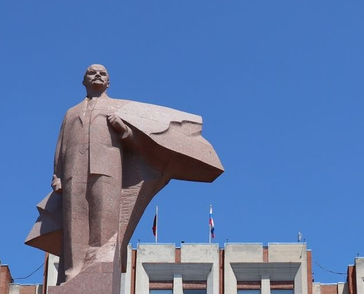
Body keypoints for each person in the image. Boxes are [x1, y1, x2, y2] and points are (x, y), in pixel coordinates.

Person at [26, 64, 224, 281]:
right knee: (75, 219)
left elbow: (138, 144)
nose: (98, 75)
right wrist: (57, 175)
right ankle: (73, 269)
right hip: (74, 169)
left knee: (105, 217)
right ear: (84, 81)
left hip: (107, 168)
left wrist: (124, 130)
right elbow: (61, 146)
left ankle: (100, 265)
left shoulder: (119, 109)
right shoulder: (71, 113)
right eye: (92, 72)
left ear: (108, 82)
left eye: (102, 73)